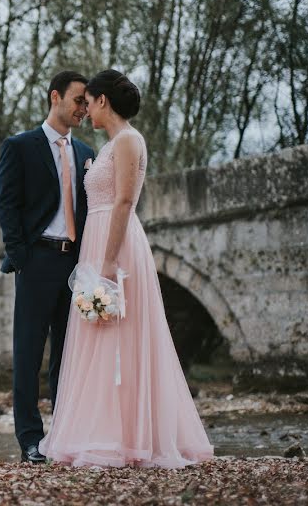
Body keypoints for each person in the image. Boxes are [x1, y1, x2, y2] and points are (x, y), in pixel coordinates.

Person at [38, 69, 214, 468]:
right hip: (96, 242)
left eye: (89, 101)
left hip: (115, 246)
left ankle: (128, 437)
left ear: (103, 101)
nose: (85, 109)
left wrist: (108, 260)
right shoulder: (109, 145)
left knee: (122, 335)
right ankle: (98, 430)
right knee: (97, 339)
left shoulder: (130, 140)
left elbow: (123, 202)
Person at [0, 70, 95, 464]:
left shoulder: (87, 154)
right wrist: (22, 259)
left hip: (75, 263)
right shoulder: (20, 146)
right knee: (29, 353)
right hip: (36, 260)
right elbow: (6, 206)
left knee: (68, 356)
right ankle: (31, 441)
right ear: (56, 97)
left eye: (88, 103)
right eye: (78, 101)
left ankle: (63, 436)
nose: (84, 109)